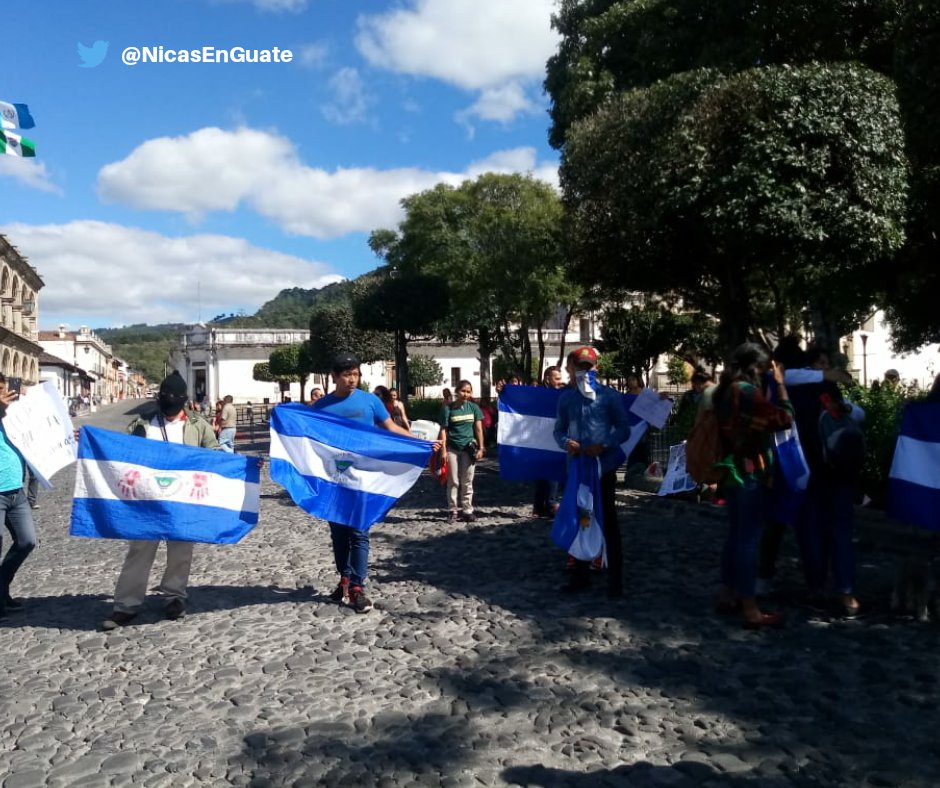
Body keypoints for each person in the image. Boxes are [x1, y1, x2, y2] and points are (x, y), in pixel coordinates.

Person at [313, 352, 438, 613]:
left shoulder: (370, 401)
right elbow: (301, 437)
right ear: (334, 376)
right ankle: (344, 580)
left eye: (356, 374)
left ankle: (357, 587)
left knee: (359, 531)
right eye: (347, 374)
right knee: (338, 534)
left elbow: (391, 429)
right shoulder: (321, 407)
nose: (352, 379)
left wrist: (420, 443)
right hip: (334, 481)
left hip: (362, 480)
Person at [101, 372, 221, 630]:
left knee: (181, 552)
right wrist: (90, 443)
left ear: (184, 403)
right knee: (139, 552)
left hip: (182, 502)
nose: (169, 412)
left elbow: (215, 454)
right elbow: (121, 452)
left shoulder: (198, 425)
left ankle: (174, 597)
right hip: (146, 503)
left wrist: (243, 465)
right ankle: (126, 604)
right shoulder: (141, 424)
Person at [712, 343, 793, 628]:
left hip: (731, 470)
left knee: (735, 536)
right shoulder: (746, 392)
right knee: (748, 540)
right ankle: (750, 607)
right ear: (756, 367)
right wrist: (781, 388)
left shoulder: (724, 390)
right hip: (750, 472)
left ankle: (728, 593)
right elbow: (783, 419)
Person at [553, 346, 631, 598]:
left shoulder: (609, 397)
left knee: (608, 520)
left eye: (589, 366)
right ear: (572, 368)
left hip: (602, 469)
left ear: (596, 368)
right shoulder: (566, 399)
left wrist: (605, 443)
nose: (585, 370)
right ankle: (580, 575)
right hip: (577, 469)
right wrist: (567, 443)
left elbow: (623, 429)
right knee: (581, 519)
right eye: (580, 366)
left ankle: (616, 581)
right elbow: (558, 430)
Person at [0, 375, 37, 619]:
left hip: (16, 491)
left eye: (4, 388)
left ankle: (1, 588)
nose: (5, 393)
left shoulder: (14, 417)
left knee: (27, 541)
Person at [438, 380, 485, 524]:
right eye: (463, 391)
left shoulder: (474, 408)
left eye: (469, 391)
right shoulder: (448, 409)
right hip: (453, 448)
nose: (466, 394)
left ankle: (467, 510)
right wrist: (443, 450)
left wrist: (481, 447)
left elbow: (478, 429)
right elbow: (444, 430)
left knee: (468, 480)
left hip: (468, 448)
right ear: (457, 391)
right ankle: (453, 510)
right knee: (453, 480)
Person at [533, 366, 565, 518]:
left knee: (553, 474)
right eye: (556, 378)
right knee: (543, 474)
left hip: (556, 439)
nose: (560, 381)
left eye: (560, 378)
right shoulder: (538, 394)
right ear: (547, 379)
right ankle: (541, 506)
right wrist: (503, 391)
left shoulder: (563, 395)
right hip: (541, 440)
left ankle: (548, 505)